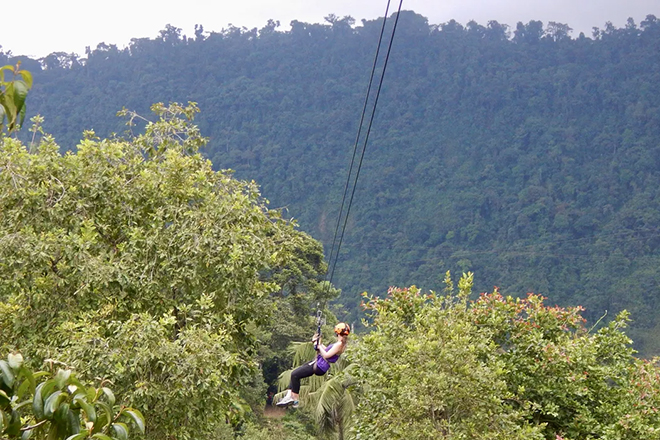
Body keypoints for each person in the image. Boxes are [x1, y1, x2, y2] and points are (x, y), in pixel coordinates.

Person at [276, 322, 350, 408]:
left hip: (319, 366)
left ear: (337, 331)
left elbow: (326, 355)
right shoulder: (340, 344)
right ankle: (289, 395)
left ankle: (295, 399)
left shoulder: (340, 344)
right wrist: (317, 342)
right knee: (295, 373)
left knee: (295, 375)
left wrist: (318, 347)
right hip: (319, 364)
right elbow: (326, 350)